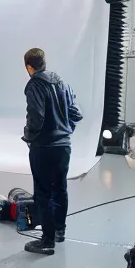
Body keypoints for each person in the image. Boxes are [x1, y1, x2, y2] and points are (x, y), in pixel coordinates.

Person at [21, 47, 82, 256]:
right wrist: (65, 131)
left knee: (43, 194)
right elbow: (76, 113)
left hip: (43, 149)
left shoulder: (34, 85)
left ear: (30, 67)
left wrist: (28, 136)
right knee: (60, 189)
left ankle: (47, 241)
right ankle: (59, 232)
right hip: (63, 147)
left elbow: (36, 118)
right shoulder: (62, 83)